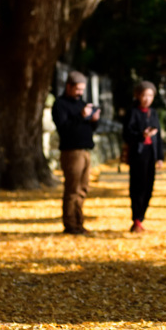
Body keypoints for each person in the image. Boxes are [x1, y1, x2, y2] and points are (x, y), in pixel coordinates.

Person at [52, 71, 100, 235]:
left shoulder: (82, 104)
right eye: (78, 89)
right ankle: (70, 224)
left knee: (83, 188)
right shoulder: (60, 105)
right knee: (72, 188)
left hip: (86, 150)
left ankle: (79, 222)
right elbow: (64, 127)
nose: (80, 93)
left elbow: (88, 128)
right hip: (71, 151)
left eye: (82, 89)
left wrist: (94, 120)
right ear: (69, 86)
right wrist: (81, 116)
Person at [123, 80, 164, 233]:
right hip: (137, 154)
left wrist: (160, 157)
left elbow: (158, 137)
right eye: (144, 95)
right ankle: (136, 219)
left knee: (148, 187)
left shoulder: (153, 113)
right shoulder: (132, 112)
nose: (147, 98)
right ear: (138, 96)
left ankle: (141, 217)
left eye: (151, 95)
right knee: (137, 187)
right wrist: (142, 135)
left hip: (151, 154)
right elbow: (127, 134)